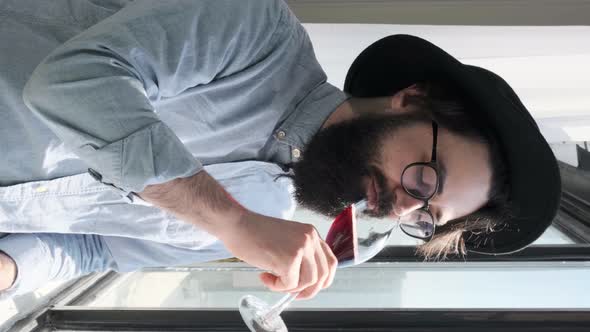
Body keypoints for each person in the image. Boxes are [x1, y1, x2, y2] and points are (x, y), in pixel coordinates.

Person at [0, 0, 560, 301]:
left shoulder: (264, 225)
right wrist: (230, 222)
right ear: (411, 100)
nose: (401, 207)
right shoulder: (258, 31)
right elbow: (74, 82)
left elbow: (93, 250)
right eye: (425, 181)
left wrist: (8, 271)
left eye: (425, 215)